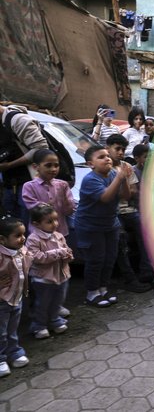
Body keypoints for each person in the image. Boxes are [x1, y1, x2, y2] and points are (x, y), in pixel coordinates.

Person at [74, 145, 132, 308]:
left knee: (109, 258)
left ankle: (103, 288)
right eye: (101, 157)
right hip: (90, 226)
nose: (107, 158)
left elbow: (125, 196)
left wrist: (125, 178)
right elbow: (106, 197)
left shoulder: (113, 174)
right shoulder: (90, 179)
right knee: (95, 259)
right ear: (90, 164)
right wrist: (119, 178)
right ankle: (91, 293)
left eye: (107, 156)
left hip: (109, 224)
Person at [105, 135, 152, 293]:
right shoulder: (105, 166)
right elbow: (108, 195)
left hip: (129, 210)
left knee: (148, 230)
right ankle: (130, 278)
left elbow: (131, 192)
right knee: (120, 238)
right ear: (108, 148)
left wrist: (120, 185)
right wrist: (121, 182)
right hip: (112, 212)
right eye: (117, 149)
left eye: (123, 149)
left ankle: (148, 273)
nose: (120, 152)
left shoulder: (126, 166)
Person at [25, 204, 72, 339]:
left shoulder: (58, 235)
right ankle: (39, 325)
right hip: (43, 279)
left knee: (58, 300)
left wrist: (68, 255)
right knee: (43, 303)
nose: (55, 224)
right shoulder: (33, 239)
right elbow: (36, 257)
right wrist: (58, 253)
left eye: (56, 220)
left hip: (61, 275)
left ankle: (55, 319)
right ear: (36, 224)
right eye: (49, 221)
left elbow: (66, 250)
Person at [0, 105, 49, 224]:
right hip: (9, 186)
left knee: (29, 229)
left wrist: (10, 165)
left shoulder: (18, 120)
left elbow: (41, 150)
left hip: (28, 185)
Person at [0, 217, 31, 377]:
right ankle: (1, 359)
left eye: (23, 234)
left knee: (12, 329)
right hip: (2, 300)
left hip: (16, 297)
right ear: (2, 239)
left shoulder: (22, 250)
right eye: (18, 235)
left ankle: (15, 352)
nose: (23, 238)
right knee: (1, 332)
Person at [22, 149, 76, 238]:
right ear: (35, 167)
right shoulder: (29, 186)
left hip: (60, 231)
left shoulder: (63, 185)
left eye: (56, 165)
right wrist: (48, 205)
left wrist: (65, 200)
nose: (53, 169)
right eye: (48, 165)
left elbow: (68, 211)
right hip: (39, 233)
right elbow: (33, 208)